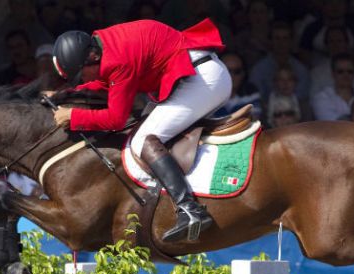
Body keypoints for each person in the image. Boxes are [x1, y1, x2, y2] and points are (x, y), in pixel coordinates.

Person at [49, 18, 230, 242]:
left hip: (202, 81)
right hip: (190, 73)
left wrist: (73, 116)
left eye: (81, 75)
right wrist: (63, 95)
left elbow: (115, 119)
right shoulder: (101, 43)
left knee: (143, 139)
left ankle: (190, 210)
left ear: (92, 57)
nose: (83, 80)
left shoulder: (117, 60)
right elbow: (105, 82)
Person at [214, 51, 263, 120]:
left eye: (237, 71)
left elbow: (253, 121)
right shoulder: (209, 96)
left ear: (243, 74)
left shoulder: (251, 92)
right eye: (227, 71)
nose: (231, 76)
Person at [311, 52, 354, 121]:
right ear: (333, 74)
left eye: (350, 71)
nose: (346, 75)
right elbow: (334, 125)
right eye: (340, 71)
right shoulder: (321, 97)